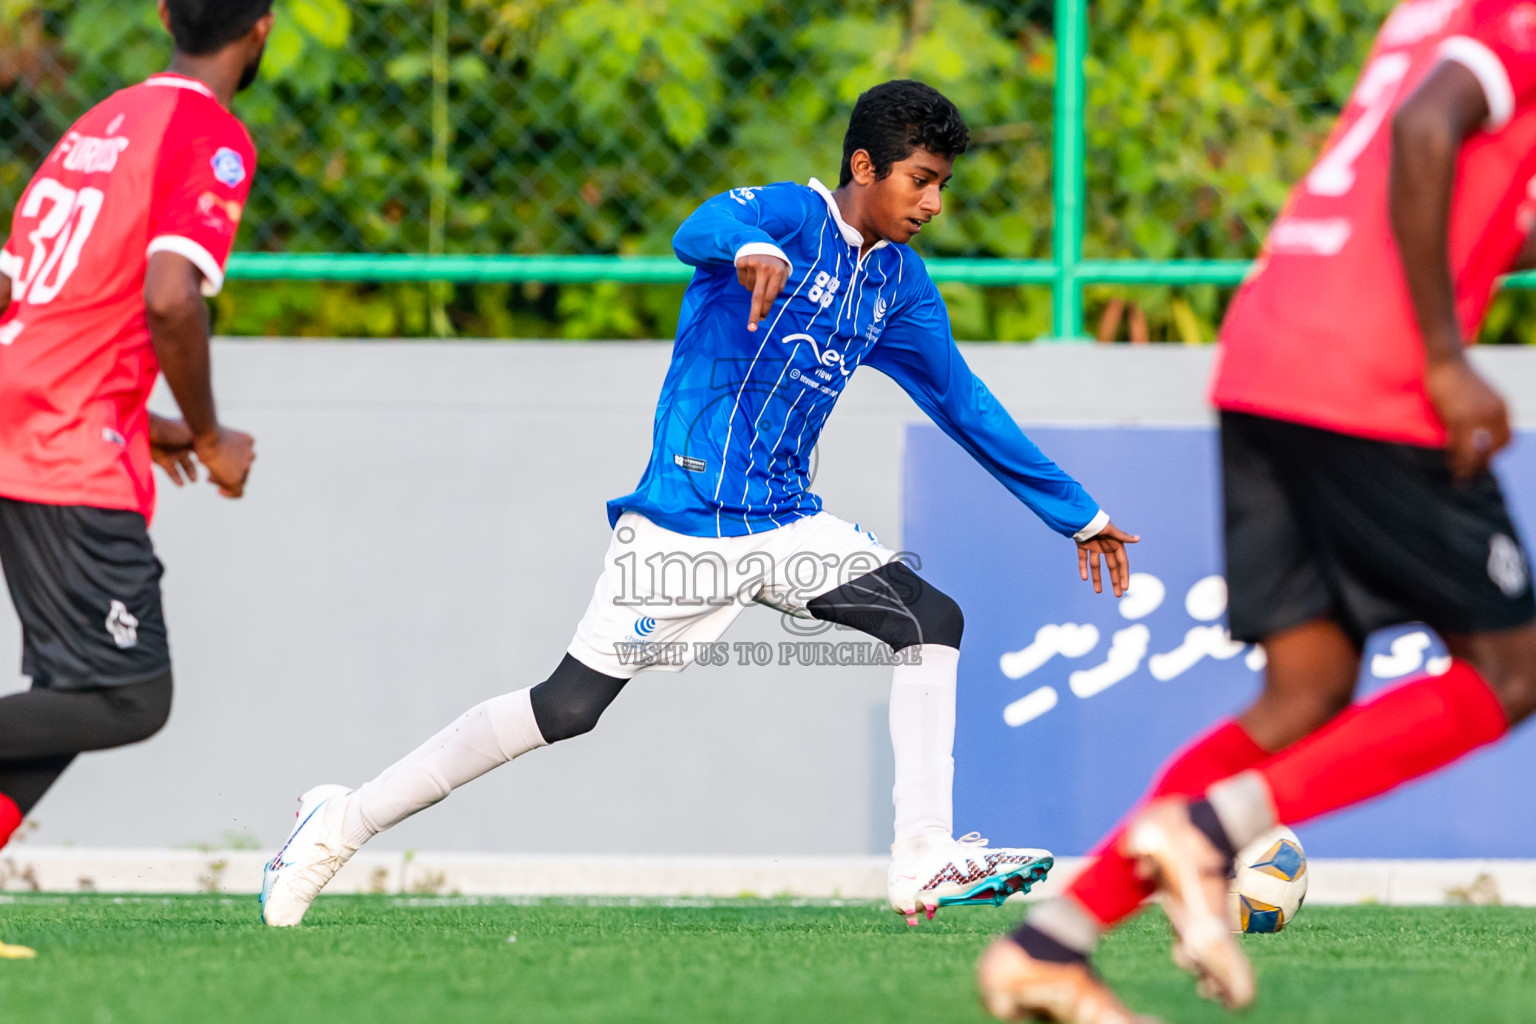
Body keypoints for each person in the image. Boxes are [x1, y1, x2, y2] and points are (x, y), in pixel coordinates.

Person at [259, 79, 1139, 928]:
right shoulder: (793, 216)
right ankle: (340, 822)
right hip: (686, 519)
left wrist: (1078, 513)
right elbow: (702, 224)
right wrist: (748, 248)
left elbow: (963, 401)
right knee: (566, 709)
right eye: (921, 180)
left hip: (787, 522)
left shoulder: (897, 284)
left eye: (943, 186)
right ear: (865, 168)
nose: (934, 203)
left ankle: (923, 854)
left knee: (928, 618)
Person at [979, 1, 1536, 1019]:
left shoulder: (1433, 12)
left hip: (1270, 351)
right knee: (1512, 667)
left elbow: (1457, 171)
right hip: (1373, 377)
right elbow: (1424, 132)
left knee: (1307, 686)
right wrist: (1449, 360)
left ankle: (1048, 942)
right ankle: (1212, 830)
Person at [0, 0, 267, 956]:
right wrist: (207, 431)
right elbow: (168, 295)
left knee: (76, 690)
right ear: (263, 28)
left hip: (31, 426)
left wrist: (136, 416)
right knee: (127, 696)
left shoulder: (98, 125)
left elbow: (18, 289)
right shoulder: (208, 133)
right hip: (66, 454)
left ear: (163, 14)